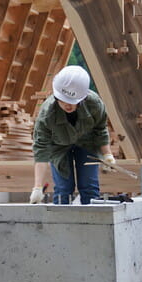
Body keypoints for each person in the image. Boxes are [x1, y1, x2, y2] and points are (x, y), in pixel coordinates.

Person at [30, 65, 115, 205]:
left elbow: (100, 129)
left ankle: (93, 223)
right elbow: (41, 150)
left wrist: (107, 155)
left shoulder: (94, 104)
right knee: (63, 188)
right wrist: (37, 187)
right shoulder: (47, 114)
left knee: (89, 187)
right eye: (63, 100)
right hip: (58, 146)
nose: (68, 105)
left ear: (82, 98)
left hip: (87, 143)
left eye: (72, 102)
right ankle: (61, 224)